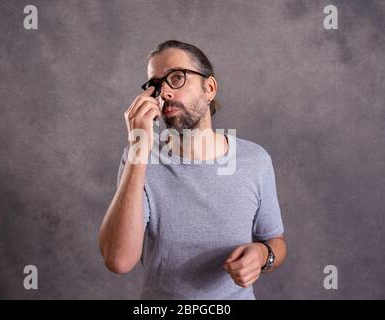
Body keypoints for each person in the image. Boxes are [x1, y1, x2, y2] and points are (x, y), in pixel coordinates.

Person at [99, 40, 286, 299]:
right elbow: (118, 261)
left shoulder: (255, 160)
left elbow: (275, 241)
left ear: (209, 88)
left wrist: (263, 255)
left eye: (177, 77)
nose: (164, 93)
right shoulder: (139, 160)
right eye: (155, 84)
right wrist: (137, 150)